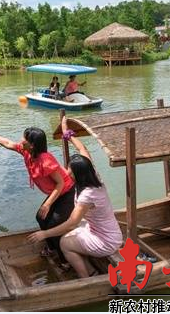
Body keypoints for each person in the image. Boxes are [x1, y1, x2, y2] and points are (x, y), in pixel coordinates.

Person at [27, 116, 123, 278]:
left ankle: (86, 277)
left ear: (78, 175)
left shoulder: (86, 196)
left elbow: (72, 222)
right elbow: (83, 150)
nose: (66, 172)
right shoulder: (94, 176)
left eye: (69, 171)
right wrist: (67, 133)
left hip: (106, 241)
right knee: (68, 231)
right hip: (104, 231)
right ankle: (88, 267)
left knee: (65, 242)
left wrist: (45, 234)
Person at [0, 126, 75, 262]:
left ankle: (64, 260)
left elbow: (60, 184)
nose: (20, 140)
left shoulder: (46, 161)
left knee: (53, 227)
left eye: (24, 138)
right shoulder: (27, 152)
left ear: (32, 145)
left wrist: (47, 204)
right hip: (56, 193)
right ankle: (51, 248)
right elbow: (8, 143)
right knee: (41, 218)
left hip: (66, 193)